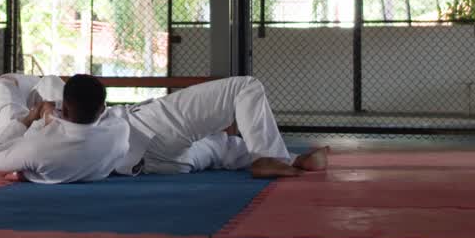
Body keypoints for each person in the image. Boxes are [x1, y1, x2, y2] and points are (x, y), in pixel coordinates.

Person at [112, 76, 328, 179]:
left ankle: (292, 160)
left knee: (222, 146)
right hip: (146, 127)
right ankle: (268, 157)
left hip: (150, 165)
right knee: (245, 87)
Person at [0, 74, 130, 184]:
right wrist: (52, 113)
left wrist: (32, 117)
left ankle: (10, 92)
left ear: (65, 109)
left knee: (1, 85)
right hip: (57, 123)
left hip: (26, 129)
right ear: (102, 109)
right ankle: (26, 90)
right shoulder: (119, 132)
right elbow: (107, 117)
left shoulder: (38, 148)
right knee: (50, 81)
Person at [0, 73, 66, 164]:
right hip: (30, 92)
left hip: (29, 93)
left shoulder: (2, 114)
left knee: (50, 83)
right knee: (51, 83)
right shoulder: (5, 127)